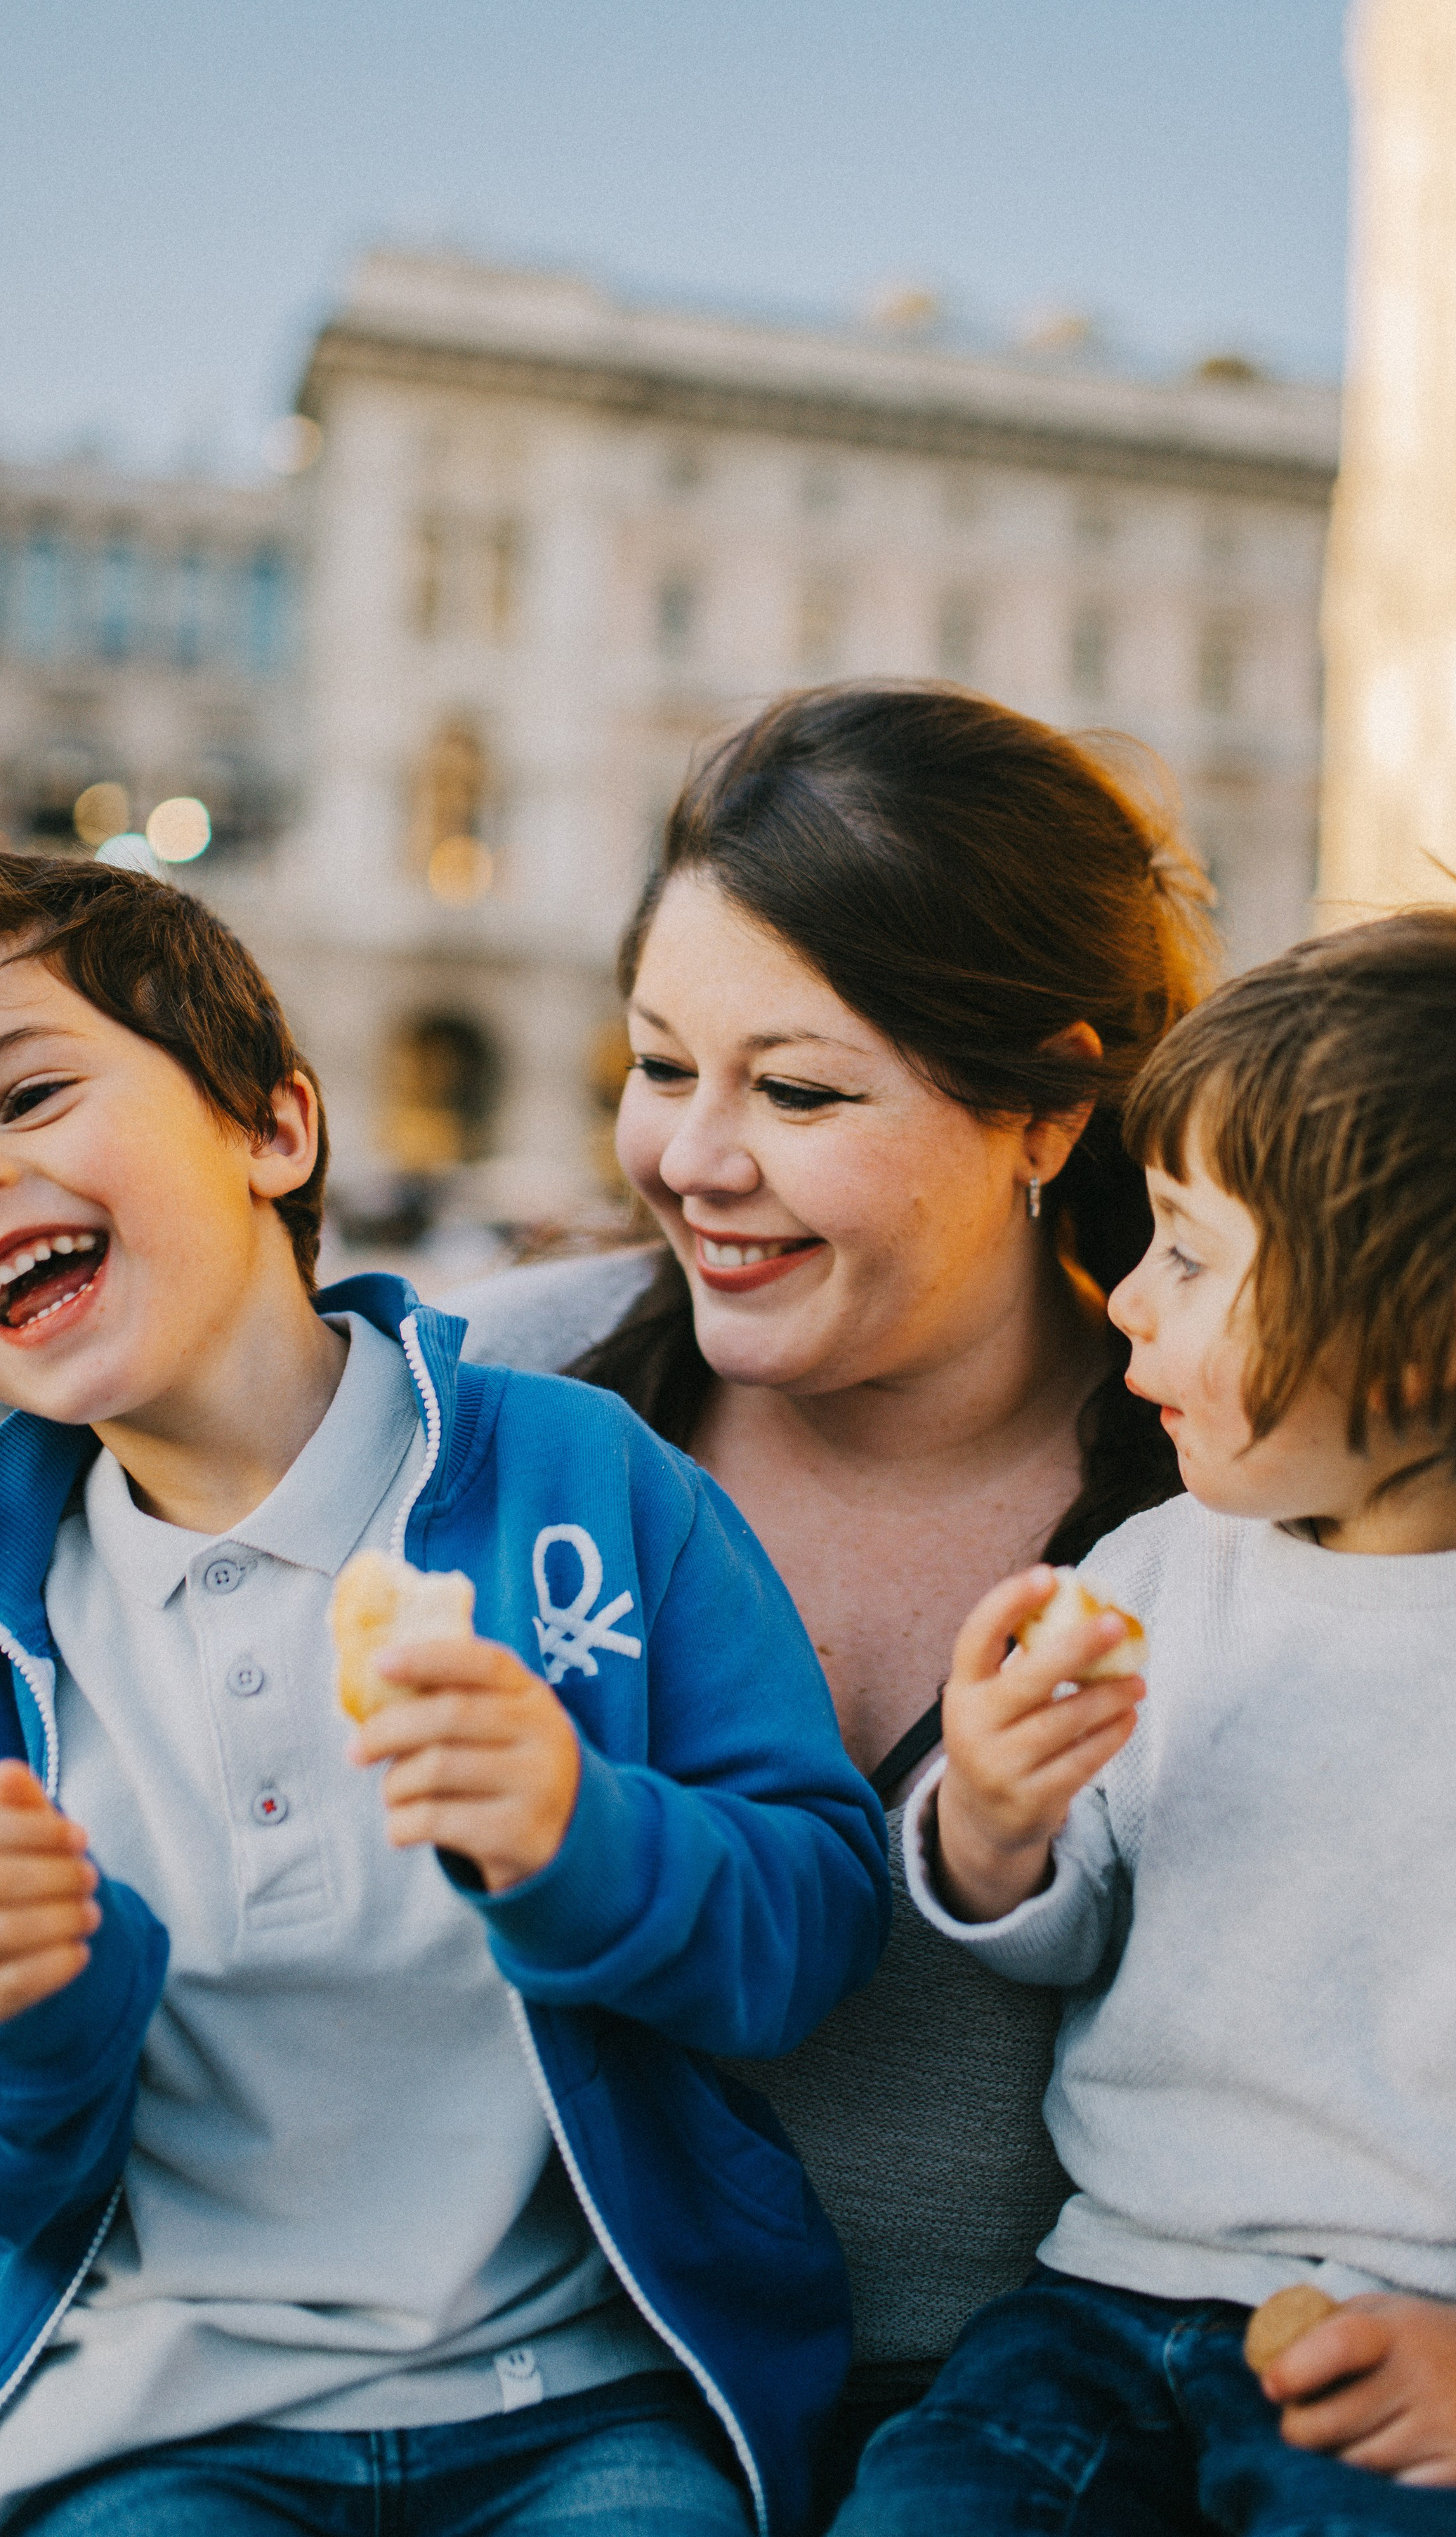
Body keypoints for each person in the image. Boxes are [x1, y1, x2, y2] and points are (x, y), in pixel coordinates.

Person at [0, 847, 888, 2537]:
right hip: (150, 2427)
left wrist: (583, 1837)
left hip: (574, 2400)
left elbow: (818, 1922)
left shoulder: (585, 1486)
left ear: (274, 1129)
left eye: (25, 1094)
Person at [448, 682, 1217, 2475]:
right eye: (656, 1066)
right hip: (533, 2427)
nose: (693, 1161)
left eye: (795, 1089)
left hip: (1045, 2453)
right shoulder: (485, 1399)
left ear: (1046, 1110)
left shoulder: (1236, 1488)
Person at [836, 904, 1456, 2535]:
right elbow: (1065, 1924)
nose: (1126, 1296)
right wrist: (994, 1826)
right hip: (1094, 2309)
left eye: (1189, 1254)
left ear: (1424, 1341)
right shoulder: (1157, 1574)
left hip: (1440, 2336)